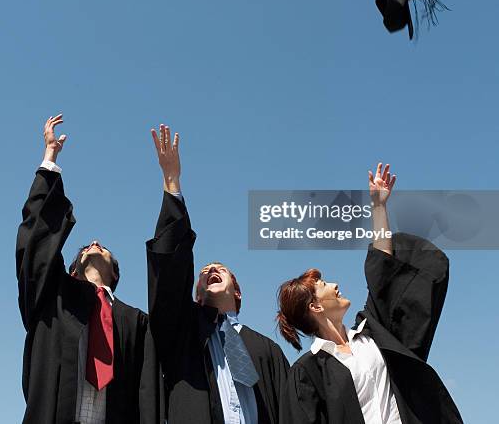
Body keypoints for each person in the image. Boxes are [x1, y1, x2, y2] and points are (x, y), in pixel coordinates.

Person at [277, 163, 463, 424]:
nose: (335, 285)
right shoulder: (307, 372)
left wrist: (378, 206)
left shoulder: (372, 334)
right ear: (315, 307)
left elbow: (383, 272)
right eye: (323, 285)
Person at [16, 115, 162, 424]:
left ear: (115, 274)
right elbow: (36, 243)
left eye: (103, 248)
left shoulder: (137, 323)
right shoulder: (52, 299)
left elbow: (148, 393)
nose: (94, 242)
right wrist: (49, 161)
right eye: (84, 249)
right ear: (72, 272)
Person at [146, 124, 288, 424]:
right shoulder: (182, 333)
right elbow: (170, 275)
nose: (211, 269)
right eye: (204, 273)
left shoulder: (268, 351)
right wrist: (172, 182)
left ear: (237, 291)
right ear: (197, 295)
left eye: (221, 269)